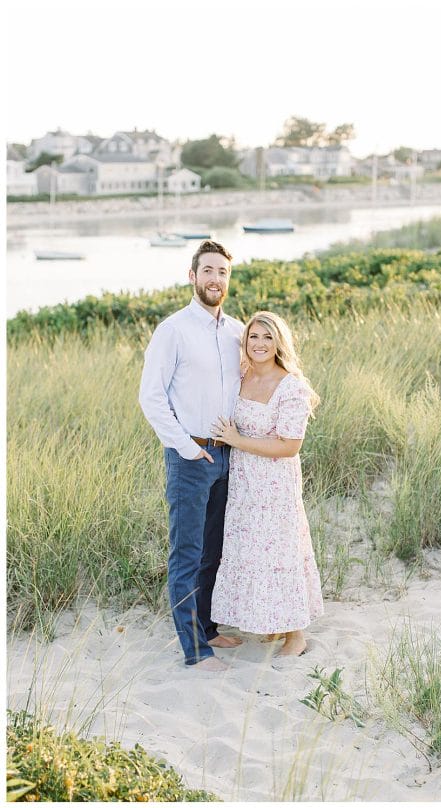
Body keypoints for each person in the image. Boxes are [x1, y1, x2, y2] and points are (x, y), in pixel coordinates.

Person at [139, 240, 244, 671]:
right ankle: (195, 650)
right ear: (192, 276)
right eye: (208, 271)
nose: (215, 279)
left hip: (227, 455)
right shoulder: (173, 330)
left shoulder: (238, 330)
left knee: (213, 551)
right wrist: (186, 447)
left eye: (222, 272)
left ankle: (209, 626)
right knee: (186, 553)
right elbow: (151, 398)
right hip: (190, 457)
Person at [209, 311, 324, 658]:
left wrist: (237, 440)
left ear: (279, 343)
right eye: (253, 337)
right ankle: (273, 623)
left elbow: (290, 446)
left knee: (280, 552)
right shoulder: (242, 375)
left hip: (275, 485)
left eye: (267, 338)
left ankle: (295, 635)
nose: (259, 344)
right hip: (244, 484)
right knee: (252, 550)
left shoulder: (291, 385)